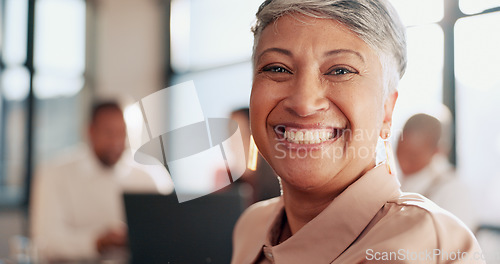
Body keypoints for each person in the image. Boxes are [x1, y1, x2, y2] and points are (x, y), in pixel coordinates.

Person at [231, 0, 484, 263]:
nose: (304, 103)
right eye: (277, 68)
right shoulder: (252, 227)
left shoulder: (431, 245)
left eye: (341, 70)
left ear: (387, 110)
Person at [30, 102, 172, 262]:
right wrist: (98, 242)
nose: (117, 141)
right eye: (109, 133)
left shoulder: (150, 174)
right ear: (90, 131)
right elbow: (46, 242)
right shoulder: (54, 174)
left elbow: (169, 233)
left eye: (123, 133)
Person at [397, 113, 477, 230]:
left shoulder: (453, 191)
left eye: (412, 157)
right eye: (399, 152)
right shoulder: (395, 179)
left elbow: (454, 243)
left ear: (436, 151)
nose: (403, 162)